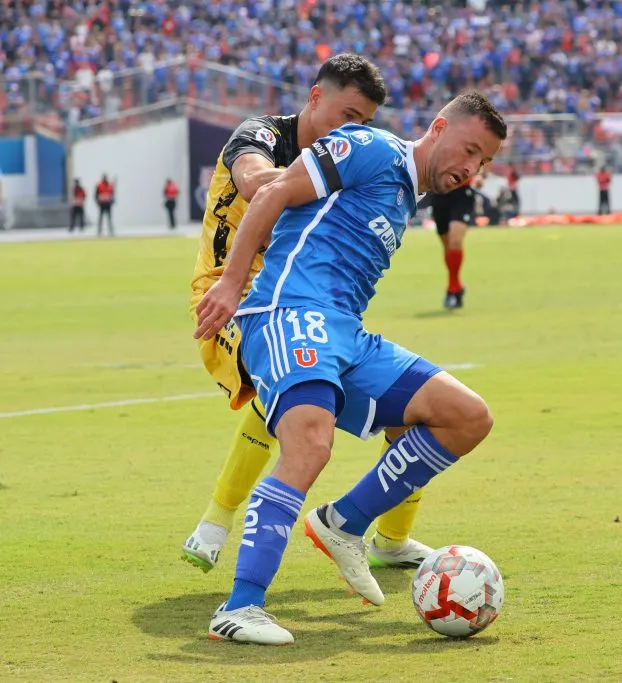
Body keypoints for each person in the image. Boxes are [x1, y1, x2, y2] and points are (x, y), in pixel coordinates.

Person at [193, 91, 506, 645]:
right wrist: (230, 281)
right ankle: (239, 608)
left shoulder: (406, 194)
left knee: (467, 416)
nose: (472, 169)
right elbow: (274, 194)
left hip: (348, 334)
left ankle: (345, 522)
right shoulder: (369, 147)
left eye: (484, 162)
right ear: (438, 128)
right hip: (290, 313)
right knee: (309, 446)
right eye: (470, 150)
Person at [182, 54, 431, 579]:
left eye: (363, 124)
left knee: (410, 403)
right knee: (287, 384)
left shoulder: (346, 154)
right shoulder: (262, 135)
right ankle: (216, 521)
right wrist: (319, 176)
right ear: (315, 97)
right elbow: (255, 183)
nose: (353, 131)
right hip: (228, 294)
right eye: (347, 116)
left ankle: (393, 538)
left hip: (298, 294)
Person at [430, 174, 476, 309]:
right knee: (447, 246)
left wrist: (481, 176)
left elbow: (488, 156)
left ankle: (452, 289)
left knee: (455, 242)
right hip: (440, 192)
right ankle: (456, 286)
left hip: (462, 192)